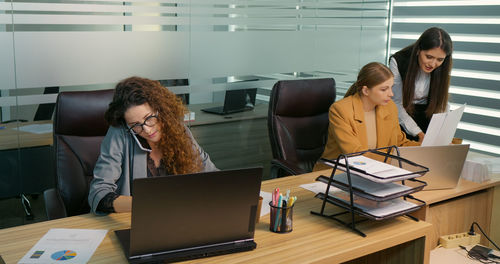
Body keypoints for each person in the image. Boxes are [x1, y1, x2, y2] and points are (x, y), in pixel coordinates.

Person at [88, 76, 217, 214]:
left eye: (149, 118)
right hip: (135, 220)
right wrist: (147, 204)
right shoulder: (120, 134)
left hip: (180, 216)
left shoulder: (178, 130)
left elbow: (211, 175)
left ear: (161, 109)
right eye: (135, 125)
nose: (147, 130)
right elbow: (99, 193)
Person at [313, 62, 419, 171]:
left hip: (376, 170)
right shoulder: (341, 110)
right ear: (366, 91)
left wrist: (425, 148)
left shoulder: (389, 107)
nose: (391, 94)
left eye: (391, 88)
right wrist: (396, 159)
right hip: (338, 172)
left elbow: (399, 142)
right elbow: (355, 154)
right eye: (384, 89)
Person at [390, 27, 453, 142]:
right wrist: (417, 132)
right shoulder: (398, 61)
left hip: (428, 116)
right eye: (429, 57)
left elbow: (441, 104)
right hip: (402, 117)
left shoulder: (443, 66)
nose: (433, 64)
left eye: (439, 59)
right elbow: (396, 103)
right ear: (419, 49)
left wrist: (440, 130)